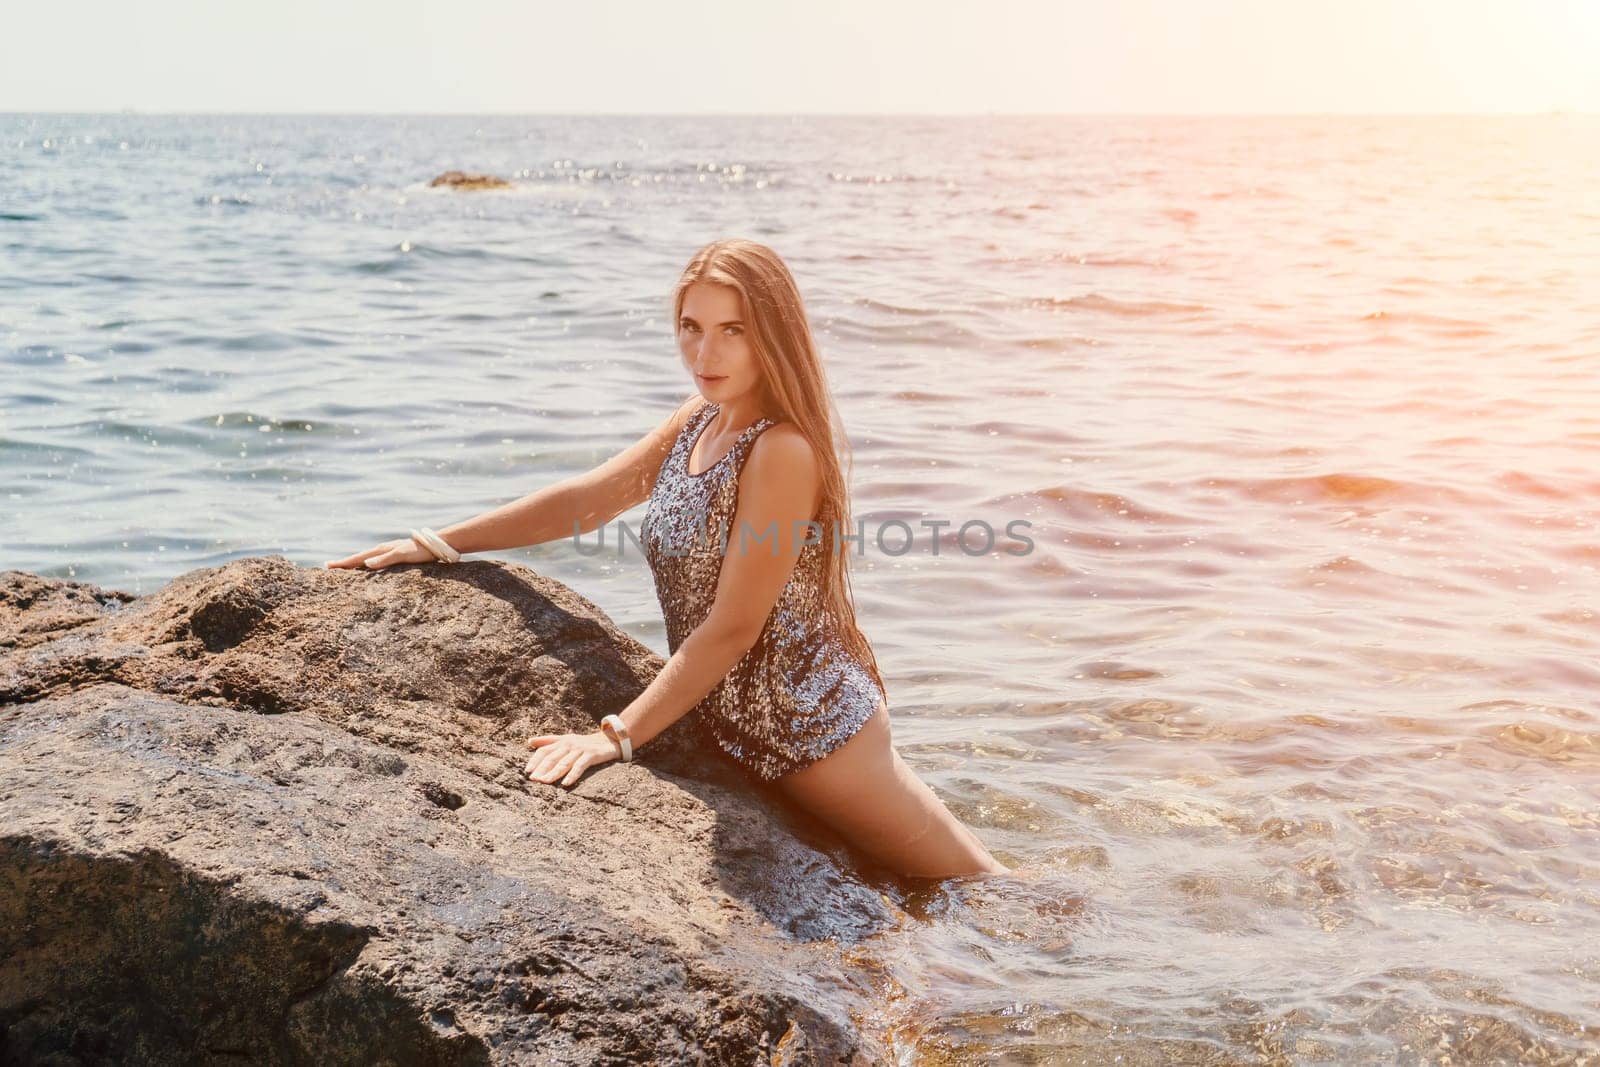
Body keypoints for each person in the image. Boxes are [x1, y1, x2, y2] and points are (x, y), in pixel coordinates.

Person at [326, 238, 1008, 880]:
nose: (705, 351)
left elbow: (735, 624)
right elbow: (590, 498)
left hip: (810, 729)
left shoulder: (782, 450)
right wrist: (440, 543)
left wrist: (616, 736)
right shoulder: (700, 418)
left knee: (980, 886)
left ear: (774, 333)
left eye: (732, 330)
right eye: (691, 326)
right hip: (735, 715)